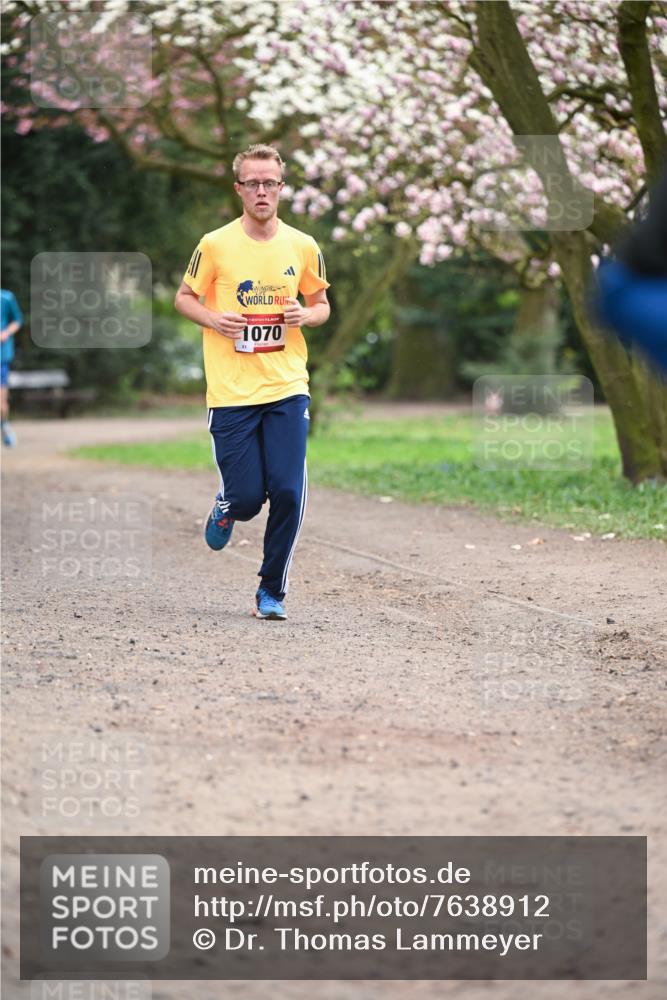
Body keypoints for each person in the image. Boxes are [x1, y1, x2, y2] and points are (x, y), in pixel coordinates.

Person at [174, 144, 331, 621]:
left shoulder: (303, 245)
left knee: (287, 489)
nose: (262, 191)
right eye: (253, 183)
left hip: (286, 385)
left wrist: (307, 314)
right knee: (246, 498)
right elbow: (184, 297)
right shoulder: (215, 244)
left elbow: (322, 305)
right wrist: (213, 319)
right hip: (231, 392)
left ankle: (272, 591)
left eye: (270, 183)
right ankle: (226, 503)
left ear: (281, 189)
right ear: (239, 189)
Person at [1, 288, 23, 447]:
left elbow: (18, 320)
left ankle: (4, 426)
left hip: (2, 357)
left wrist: (6, 332)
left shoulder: (6, 297)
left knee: (1, 400)